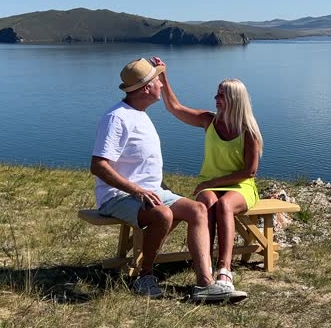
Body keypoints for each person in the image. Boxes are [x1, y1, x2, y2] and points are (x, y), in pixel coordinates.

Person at [90, 57, 247, 302]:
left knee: (198, 210)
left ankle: (205, 284)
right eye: (157, 81)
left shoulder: (139, 114)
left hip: (151, 192)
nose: (160, 86)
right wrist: (136, 190)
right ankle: (145, 275)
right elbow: (98, 166)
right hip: (118, 196)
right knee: (162, 214)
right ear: (146, 88)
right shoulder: (117, 118)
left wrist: (146, 191)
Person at [153, 57, 262, 293]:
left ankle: (225, 269)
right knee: (206, 201)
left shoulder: (249, 130)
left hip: (241, 186)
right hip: (211, 185)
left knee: (223, 205)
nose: (215, 98)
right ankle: (205, 269)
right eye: (217, 93)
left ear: (234, 99)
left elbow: (249, 171)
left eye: (221, 95)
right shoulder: (209, 120)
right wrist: (163, 77)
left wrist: (211, 182)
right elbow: (175, 108)